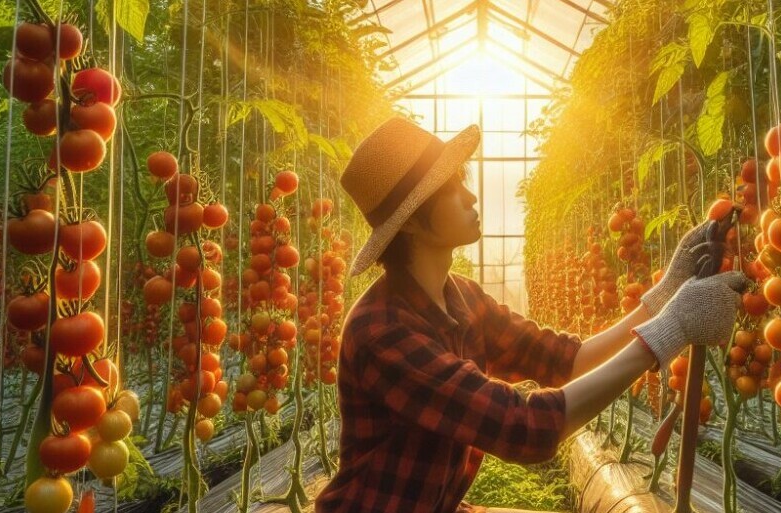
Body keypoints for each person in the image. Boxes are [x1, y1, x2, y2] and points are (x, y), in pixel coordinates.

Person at [314, 118, 746, 513]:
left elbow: (562, 359)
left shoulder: (461, 297)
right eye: (449, 188)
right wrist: (670, 329)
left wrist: (659, 299)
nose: (470, 195)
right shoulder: (381, 331)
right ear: (408, 223)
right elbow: (520, 427)